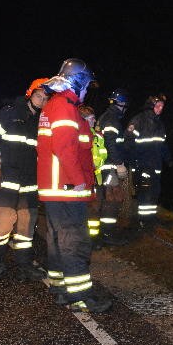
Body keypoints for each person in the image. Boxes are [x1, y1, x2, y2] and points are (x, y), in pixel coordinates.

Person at [37, 58, 112, 313]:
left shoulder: (56, 105)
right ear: (78, 81)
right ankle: (81, 296)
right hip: (66, 188)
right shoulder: (64, 108)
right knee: (75, 242)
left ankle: (61, 289)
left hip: (58, 189)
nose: (88, 90)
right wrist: (79, 181)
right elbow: (64, 148)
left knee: (59, 241)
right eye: (87, 84)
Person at [0, 78, 49, 280]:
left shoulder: (45, 121)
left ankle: (24, 263)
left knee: (27, 224)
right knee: (2, 221)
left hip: (30, 180)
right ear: (30, 93)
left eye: (46, 98)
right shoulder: (9, 113)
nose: (42, 100)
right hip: (5, 178)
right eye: (39, 95)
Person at [125, 94, 172, 231]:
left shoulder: (160, 124)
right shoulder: (139, 120)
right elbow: (128, 141)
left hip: (156, 165)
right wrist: (133, 161)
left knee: (155, 192)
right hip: (142, 164)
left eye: (162, 107)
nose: (160, 109)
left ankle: (150, 219)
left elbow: (163, 144)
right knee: (145, 194)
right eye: (158, 106)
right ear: (151, 106)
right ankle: (143, 222)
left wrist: (168, 159)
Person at [95, 88, 131, 246]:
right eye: (124, 105)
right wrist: (119, 164)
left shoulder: (106, 117)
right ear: (121, 104)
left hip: (104, 166)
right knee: (112, 200)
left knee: (103, 200)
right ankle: (107, 235)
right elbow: (111, 143)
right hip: (109, 167)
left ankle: (100, 235)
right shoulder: (112, 119)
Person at [78, 105, 108, 250]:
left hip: (96, 179)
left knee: (95, 210)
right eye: (91, 118)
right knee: (83, 210)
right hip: (83, 180)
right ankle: (82, 239)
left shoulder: (98, 136)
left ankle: (94, 239)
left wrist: (97, 164)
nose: (94, 120)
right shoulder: (77, 134)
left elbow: (103, 155)